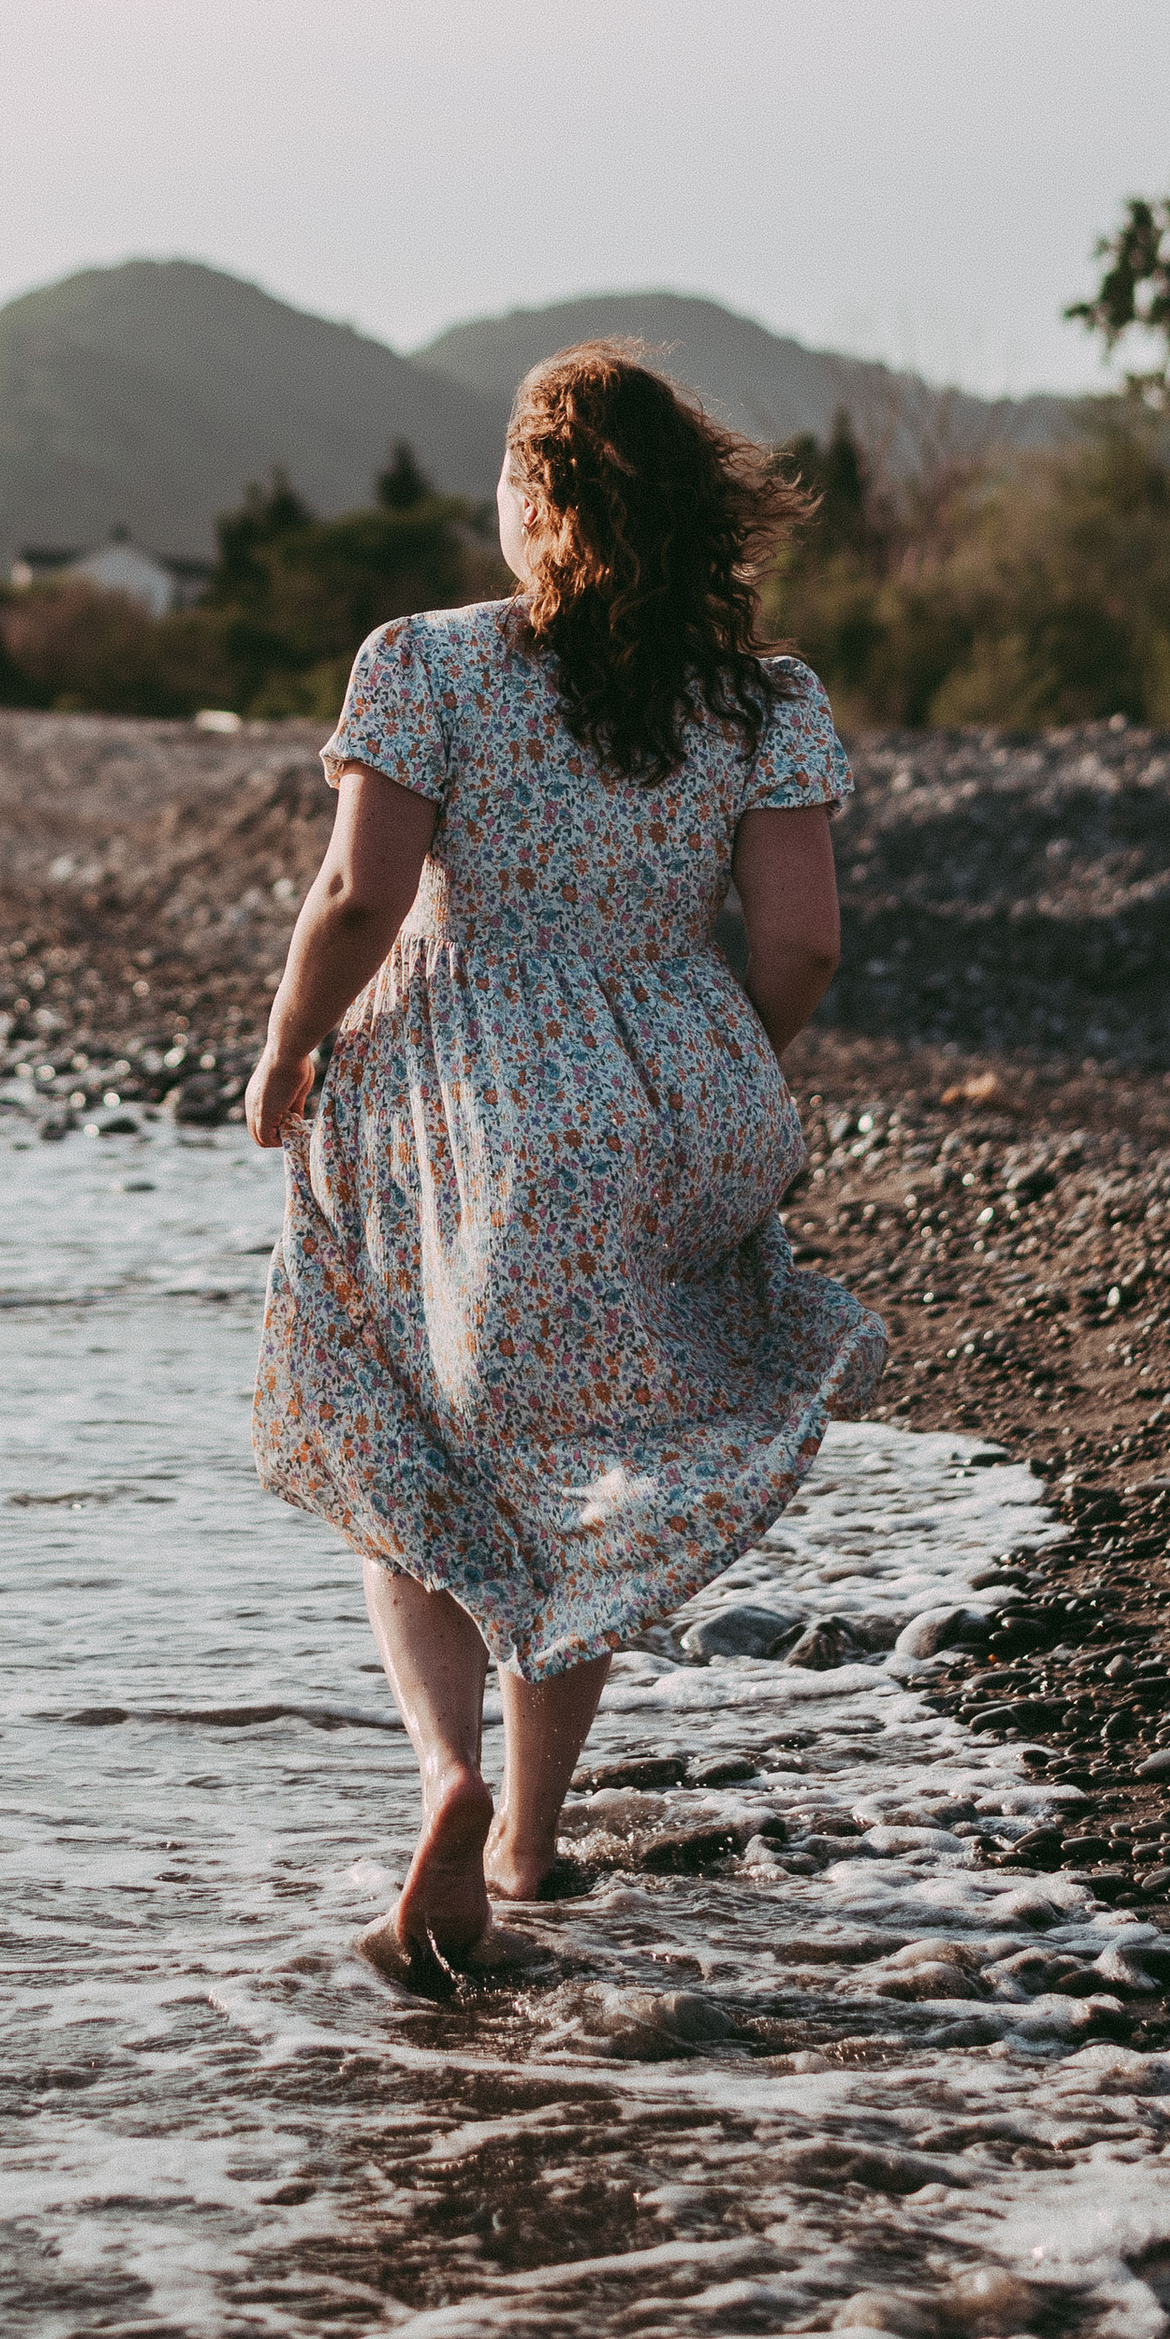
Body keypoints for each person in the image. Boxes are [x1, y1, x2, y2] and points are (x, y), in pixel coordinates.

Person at [244, 343, 887, 1981]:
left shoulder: (427, 660)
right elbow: (803, 941)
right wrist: (705, 1065)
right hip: (666, 1098)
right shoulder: (763, 699)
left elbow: (361, 897)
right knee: (584, 1467)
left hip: (450, 1102)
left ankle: (445, 1777)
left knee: (398, 1436)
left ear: (537, 498)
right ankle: (529, 1842)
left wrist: (288, 1043)